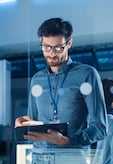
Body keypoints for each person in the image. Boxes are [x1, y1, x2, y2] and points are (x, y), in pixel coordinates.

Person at [15, 17, 107, 148]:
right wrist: (24, 126)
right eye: (46, 47)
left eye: (58, 48)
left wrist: (68, 141)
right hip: (41, 160)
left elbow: (100, 128)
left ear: (69, 44)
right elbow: (33, 125)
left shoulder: (86, 74)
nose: (52, 53)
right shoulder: (37, 79)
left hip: (72, 160)